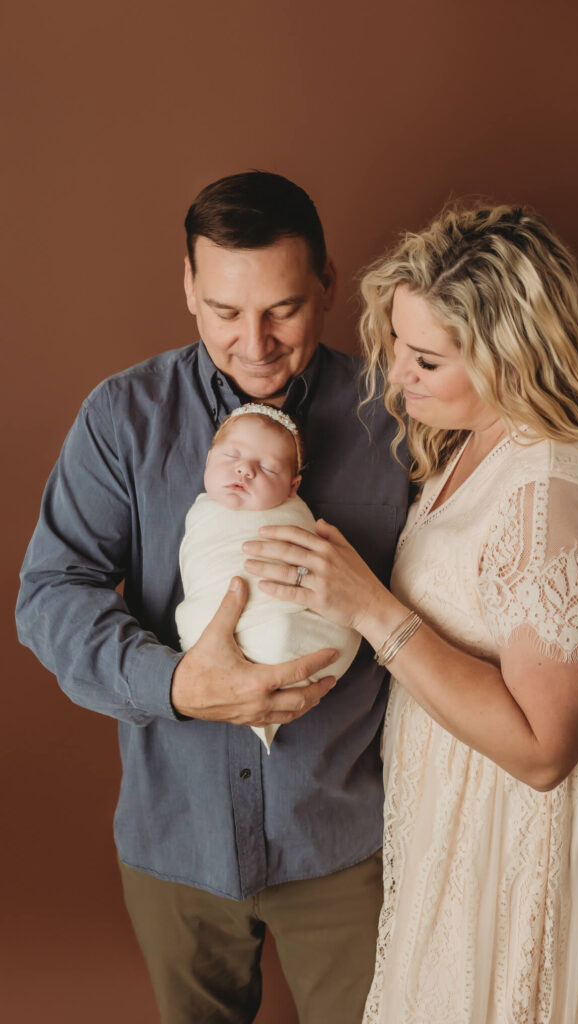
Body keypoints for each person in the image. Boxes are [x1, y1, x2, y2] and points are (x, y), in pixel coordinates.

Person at [242, 202, 578, 1022]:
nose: (396, 376)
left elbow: (543, 750)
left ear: (512, 360)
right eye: (398, 346)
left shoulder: (560, 498)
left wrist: (371, 609)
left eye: (425, 360)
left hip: (527, 823)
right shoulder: (480, 437)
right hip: (459, 810)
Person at [16, 171, 411, 1024]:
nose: (255, 343)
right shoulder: (124, 418)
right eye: (226, 312)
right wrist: (174, 686)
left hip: (347, 840)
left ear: (327, 286)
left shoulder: (398, 418)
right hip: (175, 841)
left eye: (283, 309)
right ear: (189, 288)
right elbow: (51, 593)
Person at [176, 402, 361, 749]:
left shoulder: (294, 516)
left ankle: (276, 647)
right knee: (193, 621)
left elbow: (324, 575)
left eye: (267, 467)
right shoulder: (201, 514)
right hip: (209, 655)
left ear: (293, 488)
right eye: (231, 456)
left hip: (292, 627)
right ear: (208, 461)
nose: (244, 470)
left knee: (287, 632)